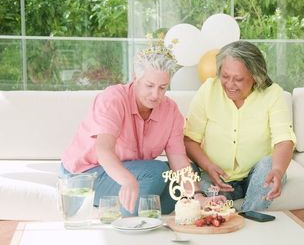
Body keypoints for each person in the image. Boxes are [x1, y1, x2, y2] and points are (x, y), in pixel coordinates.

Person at [60, 44, 207, 216]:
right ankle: (135, 214)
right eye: (149, 85)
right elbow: (103, 150)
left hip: (132, 170)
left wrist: (197, 195)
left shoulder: (170, 110)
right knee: (155, 172)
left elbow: (178, 159)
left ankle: (145, 207)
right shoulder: (113, 99)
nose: (155, 95)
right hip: (86, 174)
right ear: (135, 78)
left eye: (162, 88)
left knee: (190, 173)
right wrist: (128, 180)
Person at [184, 40, 296, 212]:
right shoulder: (208, 90)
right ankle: (225, 216)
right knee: (212, 202)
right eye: (225, 76)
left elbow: (284, 141)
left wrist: (278, 171)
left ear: (255, 76)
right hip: (215, 176)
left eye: (238, 79)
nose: (229, 84)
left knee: (269, 164)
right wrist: (207, 166)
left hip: (255, 176)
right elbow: (190, 140)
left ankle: (248, 217)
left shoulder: (272, 94)